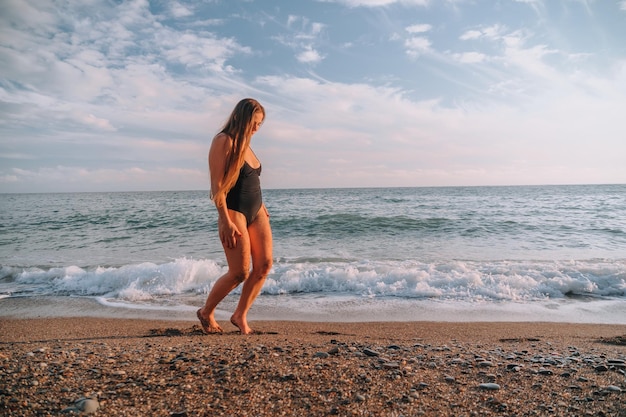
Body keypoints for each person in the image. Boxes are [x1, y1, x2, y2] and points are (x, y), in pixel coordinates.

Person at [197, 98, 273, 335]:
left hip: (257, 210)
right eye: (254, 122)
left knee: (264, 265)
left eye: (260, 124)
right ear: (240, 117)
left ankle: (240, 315)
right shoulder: (223, 141)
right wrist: (225, 220)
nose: (256, 128)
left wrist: (262, 207)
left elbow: (251, 180)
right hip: (233, 211)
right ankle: (206, 311)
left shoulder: (247, 144)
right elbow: (217, 187)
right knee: (239, 272)